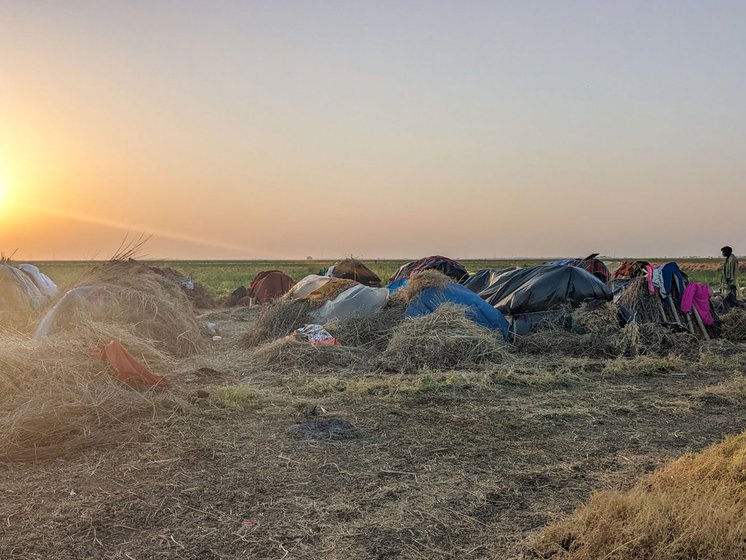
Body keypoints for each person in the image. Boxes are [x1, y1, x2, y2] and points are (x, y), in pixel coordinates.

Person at [721, 246, 742, 310]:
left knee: (732, 297)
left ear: (728, 252)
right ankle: (732, 308)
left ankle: (740, 307)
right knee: (728, 297)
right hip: (727, 282)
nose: (722, 253)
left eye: (723, 252)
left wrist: (733, 283)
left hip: (731, 282)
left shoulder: (732, 259)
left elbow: (734, 272)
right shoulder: (728, 258)